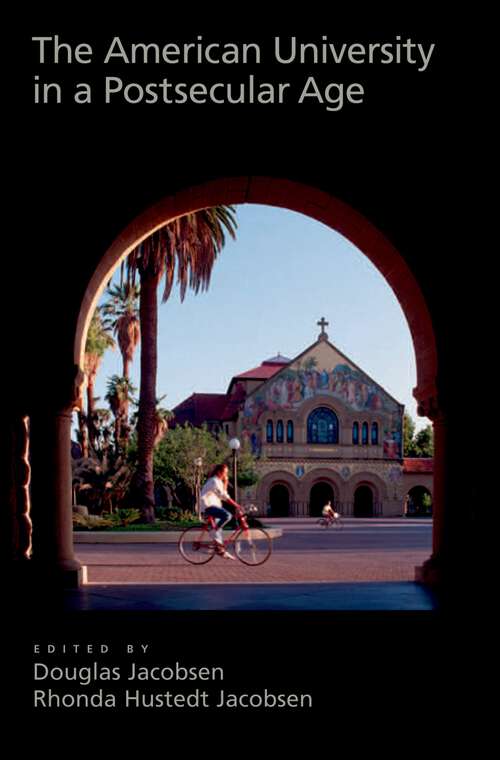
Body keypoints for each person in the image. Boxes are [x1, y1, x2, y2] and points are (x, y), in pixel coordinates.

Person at [200, 463, 241, 560]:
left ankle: (220, 550)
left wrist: (226, 481)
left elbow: (223, 493)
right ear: (219, 472)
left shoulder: (219, 481)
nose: (226, 474)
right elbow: (224, 496)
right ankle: (213, 531)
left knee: (219, 531)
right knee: (227, 516)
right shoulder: (214, 481)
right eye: (225, 472)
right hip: (208, 505)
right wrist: (236, 505)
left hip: (214, 505)